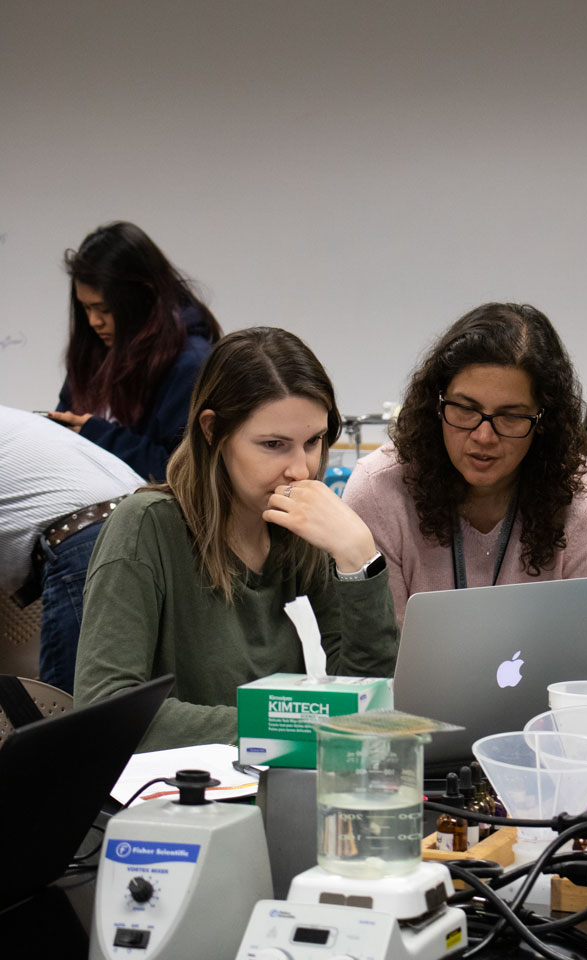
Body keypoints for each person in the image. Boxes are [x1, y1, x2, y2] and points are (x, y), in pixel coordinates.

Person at [73, 327, 398, 751]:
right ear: (213, 431)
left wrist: (359, 560)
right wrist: (289, 725)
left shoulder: (300, 532)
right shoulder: (146, 526)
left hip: (281, 787)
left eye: (314, 441)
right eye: (273, 444)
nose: (300, 469)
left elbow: (362, 705)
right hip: (178, 802)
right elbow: (106, 710)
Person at [342, 302, 587, 625]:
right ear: (436, 403)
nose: (484, 436)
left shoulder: (586, 499)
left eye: (510, 416)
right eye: (465, 408)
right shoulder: (378, 490)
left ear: (544, 420)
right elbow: (376, 657)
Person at [46, 221, 222, 481]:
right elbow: (67, 426)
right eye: (86, 308)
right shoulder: (93, 350)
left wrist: (100, 437)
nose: (94, 321)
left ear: (145, 293)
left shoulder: (190, 363)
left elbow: (186, 475)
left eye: (105, 309)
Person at [0, 405, 144, 692]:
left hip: (88, 539)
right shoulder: (15, 421)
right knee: (140, 705)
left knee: (79, 709)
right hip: (146, 519)